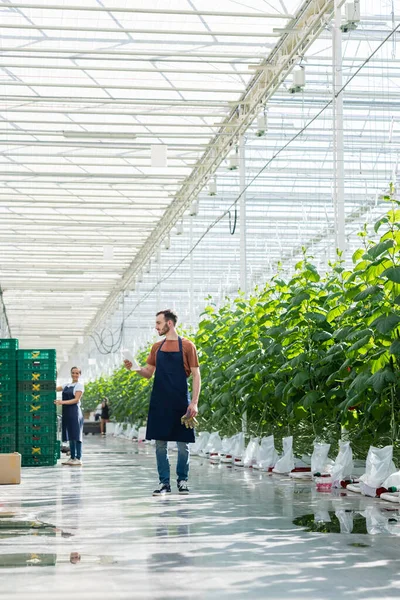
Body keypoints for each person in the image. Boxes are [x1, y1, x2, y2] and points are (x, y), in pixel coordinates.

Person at [124, 309, 200, 496]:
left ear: (170, 324)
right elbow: (148, 373)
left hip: (182, 401)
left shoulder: (188, 346)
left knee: (183, 445)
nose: (155, 326)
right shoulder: (157, 348)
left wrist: (195, 402)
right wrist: (134, 368)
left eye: (158, 323)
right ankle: (164, 483)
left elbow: (196, 374)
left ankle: (182, 480)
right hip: (160, 401)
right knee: (160, 445)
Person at [55, 367, 84, 466]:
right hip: (67, 412)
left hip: (75, 412)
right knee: (70, 435)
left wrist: (61, 402)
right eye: (73, 373)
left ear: (80, 374)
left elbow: (76, 400)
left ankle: (78, 458)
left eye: (77, 373)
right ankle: (72, 457)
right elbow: (55, 388)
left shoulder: (79, 385)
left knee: (76, 435)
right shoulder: (67, 385)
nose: (75, 375)